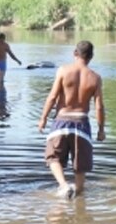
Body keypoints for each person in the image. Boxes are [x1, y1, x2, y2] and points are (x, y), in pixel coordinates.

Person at [37, 40, 106, 199]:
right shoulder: (95, 78)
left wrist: (43, 119)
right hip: (82, 124)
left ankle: (63, 185)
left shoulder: (63, 71)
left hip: (61, 121)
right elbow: (99, 107)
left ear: (75, 53)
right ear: (91, 57)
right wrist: (101, 130)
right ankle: (79, 204)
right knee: (80, 168)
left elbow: (52, 97)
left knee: (53, 157)